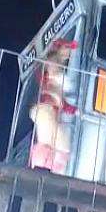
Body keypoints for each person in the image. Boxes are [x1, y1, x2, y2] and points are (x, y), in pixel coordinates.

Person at [28, 39, 78, 173]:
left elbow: (61, 100)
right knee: (58, 145)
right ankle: (42, 170)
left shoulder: (57, 70)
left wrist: (73, 110)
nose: (68, 53)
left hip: (48, 110)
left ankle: (46, 169)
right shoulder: (51, 67)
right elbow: (50, 89)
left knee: (54, 144)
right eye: (67, 49)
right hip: (44, 109)